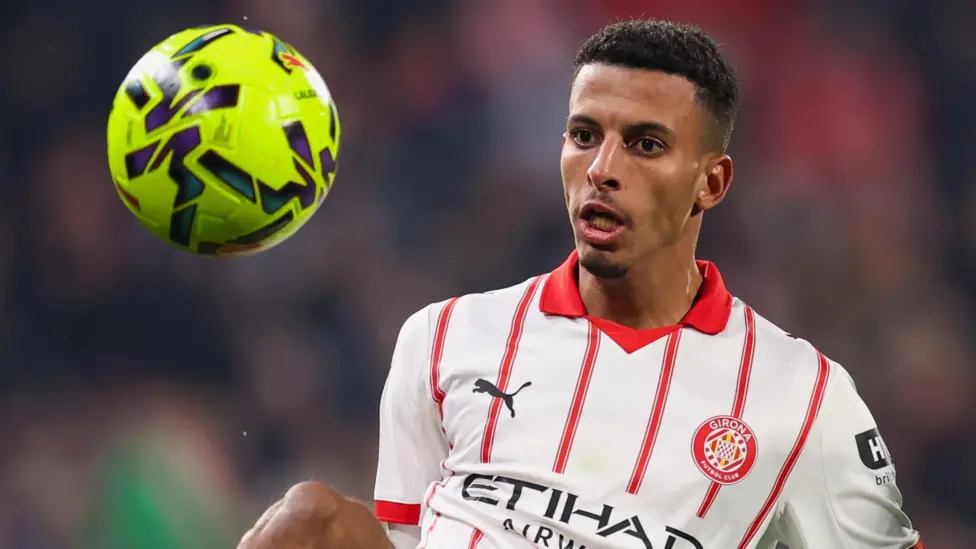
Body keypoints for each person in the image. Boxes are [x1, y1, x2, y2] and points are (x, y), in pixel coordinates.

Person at [237, 19, 926, 549]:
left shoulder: (804, 396)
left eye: (645, 144)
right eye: (584, 135)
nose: (602, 169)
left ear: (711, 182)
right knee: (310, 518)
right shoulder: (443, 336)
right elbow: (407, 536)